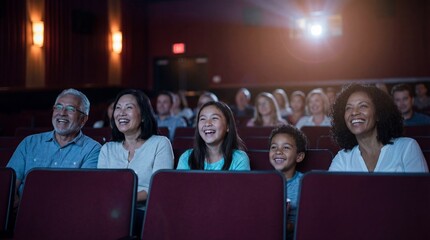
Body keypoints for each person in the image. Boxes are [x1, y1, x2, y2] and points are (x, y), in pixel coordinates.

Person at [7, 88, 101, 206]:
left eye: (70, 109)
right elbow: (9, 185)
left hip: (64, 216)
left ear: (83, 119)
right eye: (58, 107)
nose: (62, 113)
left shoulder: (92, 149)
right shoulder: (30, 142)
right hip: (22, 214)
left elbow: (82, 194)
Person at [329, 83, 428, 172]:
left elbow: (422, 190)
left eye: (363, 106)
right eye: (348, 108)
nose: (354, 112)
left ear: (378, 114)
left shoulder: (407, 147)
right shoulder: (342, 158)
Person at [97, 89, 174, 203]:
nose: (121, 113)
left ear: (143, 115)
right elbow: (101, 187)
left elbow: (159, 187)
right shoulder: (107, 149)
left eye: (129, 107)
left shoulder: (160, 143)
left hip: (145, 213)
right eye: (118, 108)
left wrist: (123, 200)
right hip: (110, 210)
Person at [177, 101, 250, 170]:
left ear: (228, 126)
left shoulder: (239, 158)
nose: (207, 123)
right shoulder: (187, 157)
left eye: (214, 118)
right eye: (202, 119)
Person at [269, 125, 307, 240]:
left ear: (299, 156)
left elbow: (312, 219)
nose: (278, 152)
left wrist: (289, 226)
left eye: (286, 147)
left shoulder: (305, 184)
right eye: (274, 147)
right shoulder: (261, 183)